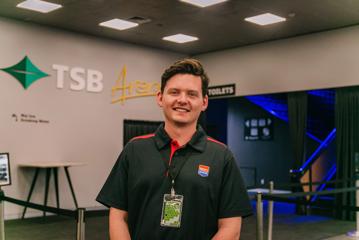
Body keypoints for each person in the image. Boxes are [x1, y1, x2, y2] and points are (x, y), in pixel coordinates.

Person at [96, 59, 252, 240]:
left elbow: (231, 227)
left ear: (204, 102)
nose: (182, 100)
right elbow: (118, 216)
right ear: (160, 98)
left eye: (192, 94)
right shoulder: (134, 149)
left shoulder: (221, 156)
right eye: (174, 92)